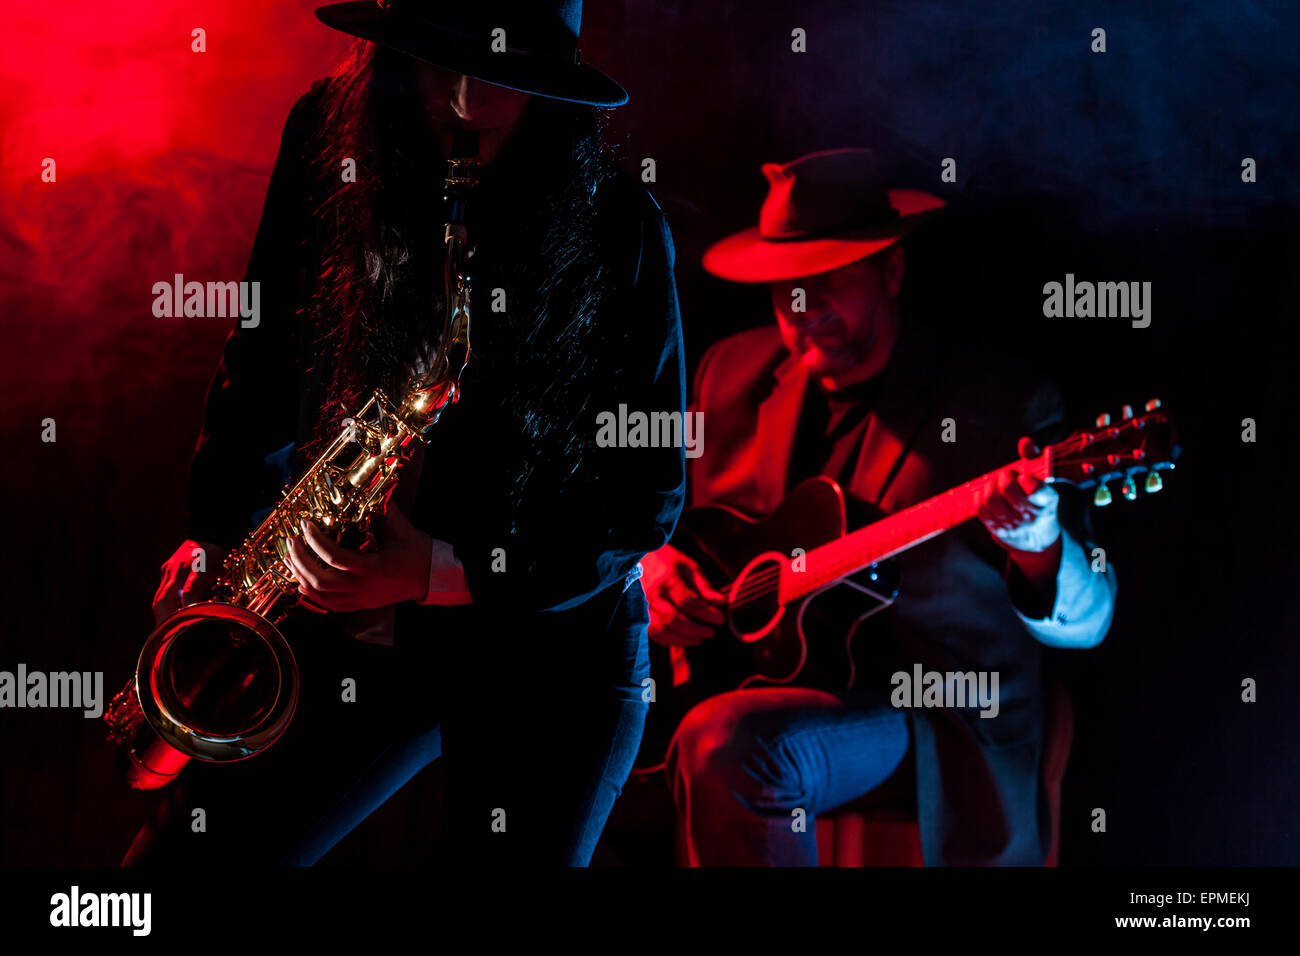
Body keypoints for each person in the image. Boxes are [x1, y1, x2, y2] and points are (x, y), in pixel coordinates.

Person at [125, 0, 686, 867]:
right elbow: (264, 352)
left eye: (499, 78)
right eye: (435, 66)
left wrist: (438, 571)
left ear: (557, 95)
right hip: (348, 622)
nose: (462, 102)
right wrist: (215, 530)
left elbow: (646, 502)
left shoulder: (624, 229)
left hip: (545, 655)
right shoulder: (329, 135)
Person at [641, 148, 1116, 865]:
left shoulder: (997, 407)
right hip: (757, 681)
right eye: (785, 290)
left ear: (891, 270)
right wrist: (651, 569)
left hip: (931, 713)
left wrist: (1040, 545)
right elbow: (656, 527)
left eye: (828, 283)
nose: (804, 312)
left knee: (730, 743)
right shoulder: (731, 374)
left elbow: (1091, 621)